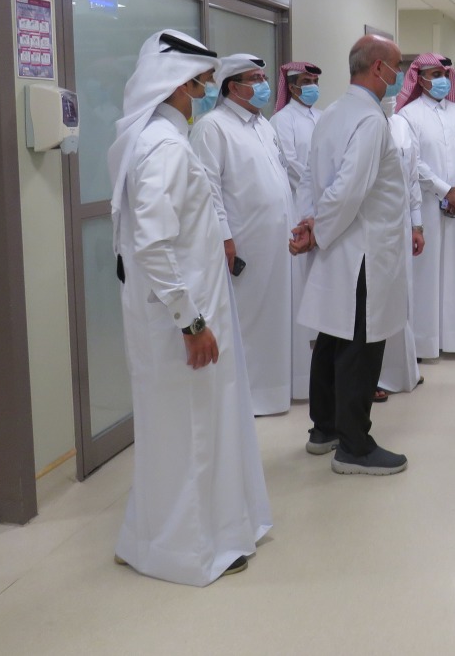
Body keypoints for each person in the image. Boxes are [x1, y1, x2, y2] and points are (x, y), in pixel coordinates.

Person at [108, 29, 271, 585]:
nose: (205, 90)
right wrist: (192, 320)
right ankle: (189, 550)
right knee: (192, 432)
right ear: (178, 84)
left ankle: (166, 537)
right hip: (181, 318)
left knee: (181, 430)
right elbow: (154, 244)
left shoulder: (155, 139)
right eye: (200, 82)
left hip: (181, 308)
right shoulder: (165, 147)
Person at [290, 35, 410, 475]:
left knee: (331, 338)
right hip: (361, 252)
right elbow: (349, 190)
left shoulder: (334, 113)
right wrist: (316, 230)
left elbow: (310, 178)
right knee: (360, 346)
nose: (399, 76)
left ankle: (324, 430)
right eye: (397, 66)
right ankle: (355, 447)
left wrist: (308, 225)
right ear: (379, 69)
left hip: (335, 247)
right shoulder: (370, 120)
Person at [191, 53, 299, 414]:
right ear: (232, 86)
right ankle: (249, 400)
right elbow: (208, 188)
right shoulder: (213, 127)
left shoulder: (262, 125)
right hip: (244, 242)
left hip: (276, 240)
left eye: (263, 77)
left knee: (275, 319)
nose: (262, 85)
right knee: (249, 321)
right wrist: (223, 236)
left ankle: (275, 392)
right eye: (254, 79)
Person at [396, 54, 455, 357]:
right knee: (426, 274)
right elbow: (413, 162)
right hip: (426, 205)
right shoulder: (408, 115)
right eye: (434, 74)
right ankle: (424, 342)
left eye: (444, 74)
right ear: (419, 78)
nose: (441, 80)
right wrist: (445, 190)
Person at [271, 61, 323, 392]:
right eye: (306, 81)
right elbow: (292, 165)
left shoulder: (323, 117)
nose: (313, 86)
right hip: (298, 210)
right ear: (291, 86)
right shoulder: (281, 120)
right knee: (300, 285)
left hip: (325, 210)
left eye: (316, 80)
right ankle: (302, 366)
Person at [377, 87, 426, 397]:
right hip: (373, 227)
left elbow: (412, 179)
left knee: (401, 298)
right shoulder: (359, 123)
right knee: (376, 303)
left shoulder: (401, 124)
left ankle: (403, 370)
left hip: (402, 224)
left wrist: (417, 224)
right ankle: (375, 377)